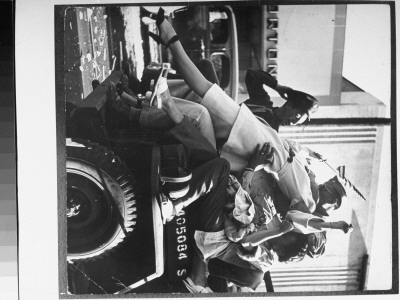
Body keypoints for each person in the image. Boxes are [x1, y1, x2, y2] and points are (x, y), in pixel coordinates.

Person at [145, 7, 353, 236]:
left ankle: (169, 39)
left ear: (327, 204)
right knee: (201, 94)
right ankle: (150, 91)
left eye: (328, 190)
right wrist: (311, 153)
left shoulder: (307, 203)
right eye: (328, 184)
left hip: (248, 139)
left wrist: (333, 225)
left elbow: (295, 220)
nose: (323, 184)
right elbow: (292, 147)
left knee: (204, 88)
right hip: (255, 134)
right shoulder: (306, 174)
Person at [244, 69, 319, 131]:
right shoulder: (262, 101)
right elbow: (253, 74)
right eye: (297, 116)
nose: (293, 123)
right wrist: (277, 87)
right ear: (289, 105)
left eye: (298, 122)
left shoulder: (272, 134)